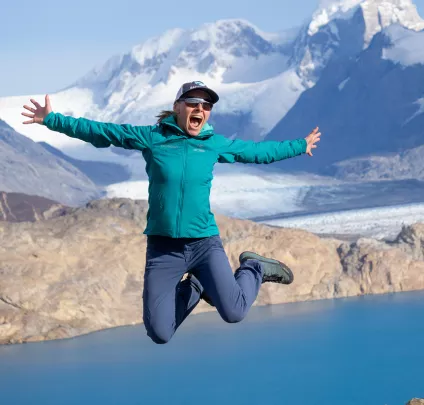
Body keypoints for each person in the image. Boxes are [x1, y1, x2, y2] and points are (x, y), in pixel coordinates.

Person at [21, 81, 322, 344]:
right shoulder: (153, 138)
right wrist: (53, 120)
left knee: (234, 311)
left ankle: (254, 268)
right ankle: (197, 284)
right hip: (165, 250)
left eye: (206, 106)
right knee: (160, 333)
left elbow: (258, 153)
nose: (200, 109)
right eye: (193, 103)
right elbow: (104, 132)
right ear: (178, 107)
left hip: (204, 244)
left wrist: (300, 145)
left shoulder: (214, 144)